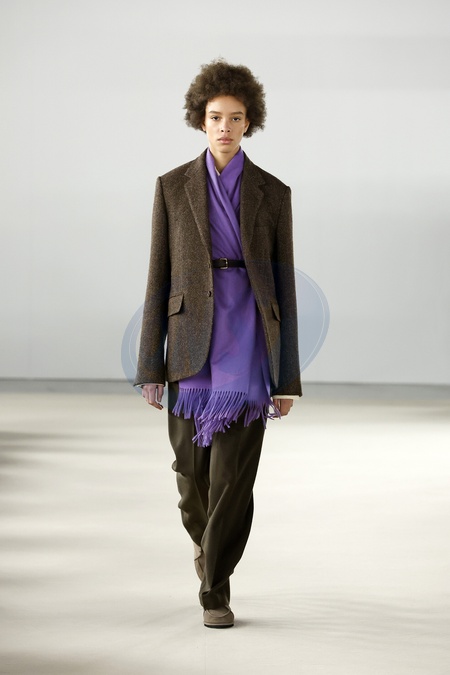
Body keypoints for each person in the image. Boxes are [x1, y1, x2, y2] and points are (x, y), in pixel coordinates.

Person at [134, 59, 301, 628]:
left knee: (234, 479)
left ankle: (215, 588)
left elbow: (284, 285)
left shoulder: (273, 193)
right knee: (190, 476)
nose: (224, 127)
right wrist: (149, 365)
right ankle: (207, 546)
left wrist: (286, 379)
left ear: (249, 121)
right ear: (200, 120)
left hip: (250, 338)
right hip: (189, 342)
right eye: (214, 117)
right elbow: (157, 278)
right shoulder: (171, 186)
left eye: (235, 117)